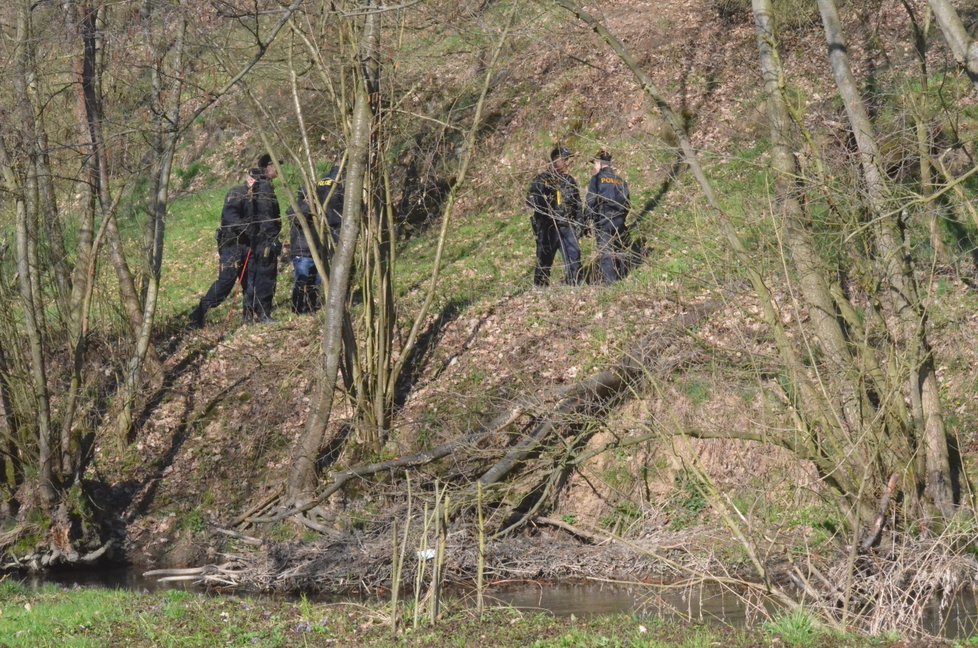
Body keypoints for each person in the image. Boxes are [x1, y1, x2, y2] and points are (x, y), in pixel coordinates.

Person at [187, 169, 257, 329]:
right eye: (256, 181)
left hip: (248, 245)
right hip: (231, 245)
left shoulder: (259, 196)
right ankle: (198, 314)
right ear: (250, 180)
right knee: (225, 282)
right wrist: (247, 228)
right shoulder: (237, 193)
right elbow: (230, 216)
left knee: (250, 281)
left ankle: (248, 317)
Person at [287, 160, 345, 313]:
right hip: (302, 252)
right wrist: (308, 205)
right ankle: (298, 308)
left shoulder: (317, 208)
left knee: (316, 281)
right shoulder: (297, 207)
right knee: (302, 281)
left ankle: (312, 306)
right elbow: (295, 218)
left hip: (317, 251)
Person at [525, 146, 584, 286]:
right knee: (544, 258)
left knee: (574, 255)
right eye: (565, 160)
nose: (567, 163)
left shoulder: (569, 180)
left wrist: (580, 223)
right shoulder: (542, 180)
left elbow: (577, 204)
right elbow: (531, 200)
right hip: (547, 226)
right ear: (555, 161)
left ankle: (574, 284)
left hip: (567, 225)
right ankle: (540, 287)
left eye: (568, 160)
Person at [243, 154, 282, 323]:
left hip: (257, 240)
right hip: (264, 240)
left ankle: (249, 315)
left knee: (255, 277)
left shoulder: (258, 184)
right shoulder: (264, 187)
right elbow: (267, 217)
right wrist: (271, 240)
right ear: (268, 167)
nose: (279, 170)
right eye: (276, 166)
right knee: (266, 276)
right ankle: (264, 314)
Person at [586, 149, 631, 284]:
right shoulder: (620, 181)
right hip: (619, 219)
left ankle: (610, 284)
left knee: (606, 251)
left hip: (603, 219)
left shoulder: (597, 179)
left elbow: (591, 200)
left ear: (600, 164)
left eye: (594, 164)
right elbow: (628, 203)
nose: (594, 167)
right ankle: (622, 277)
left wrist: (587, 218)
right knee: (619, 248)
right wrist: (622, 217)